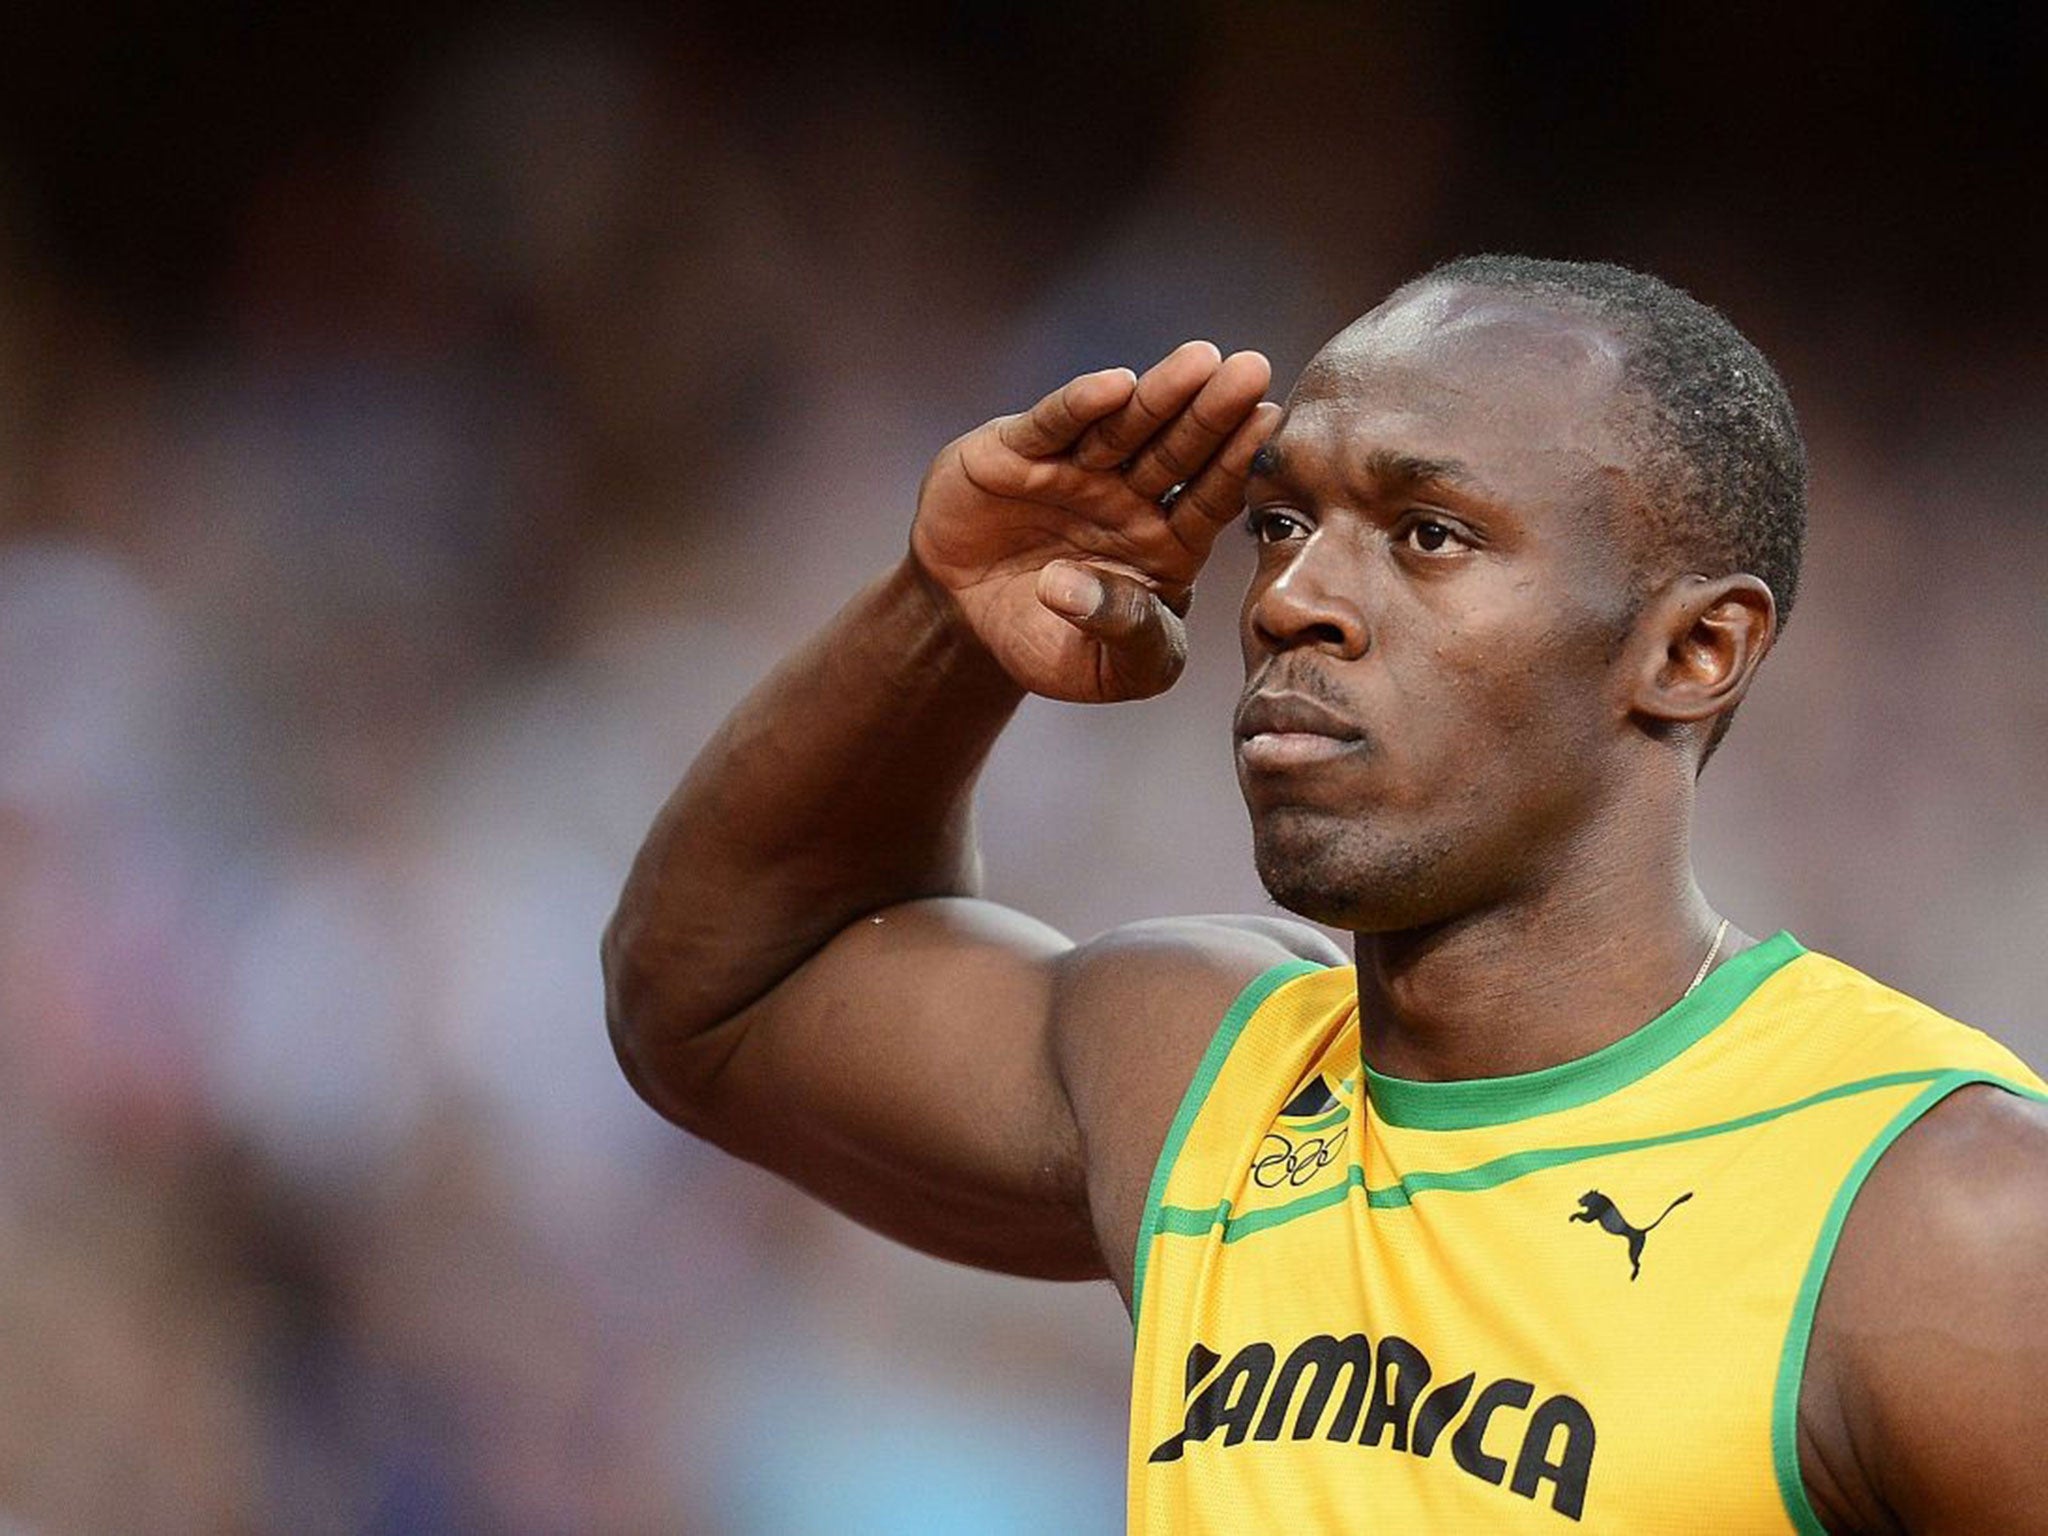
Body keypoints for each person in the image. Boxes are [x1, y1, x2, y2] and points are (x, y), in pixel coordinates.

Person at [603, 256, 2048, 1533]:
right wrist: (945, 618)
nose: (1293, 599)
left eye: (1428, 533)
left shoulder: (1939, 1217)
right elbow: (717, 992)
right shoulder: (1195, 1074)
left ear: (1692, 652)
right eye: (1281, 524)